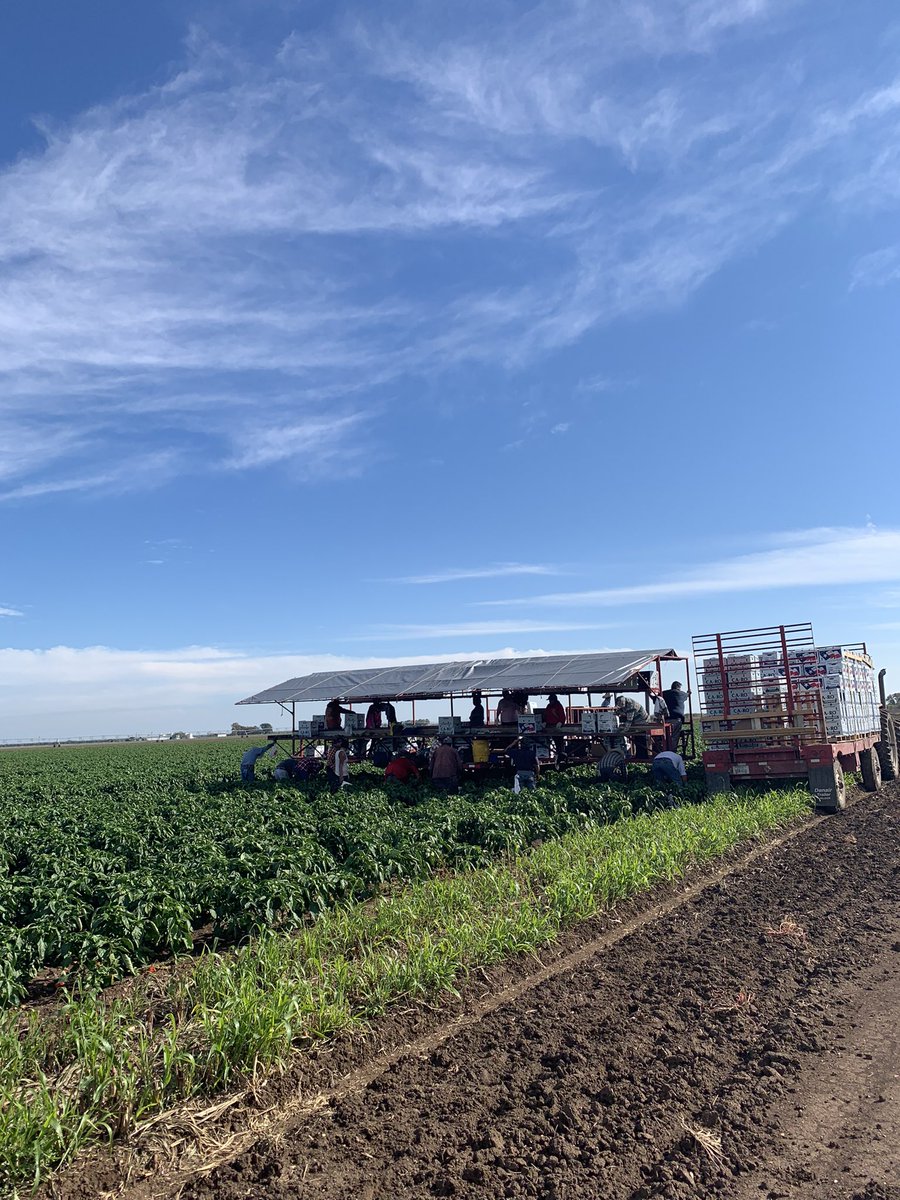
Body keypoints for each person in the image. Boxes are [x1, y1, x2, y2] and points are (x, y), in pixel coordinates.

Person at [661, 681, 686, 751]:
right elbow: (687, 695)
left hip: (666, 719)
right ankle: (672, 751)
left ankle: (665, 749)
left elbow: (656, 698)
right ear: (679, 687)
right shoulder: (682, 694)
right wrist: (688, 693)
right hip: (676, 719)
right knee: (674, 736)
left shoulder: (664, 693)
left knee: (666, 736)